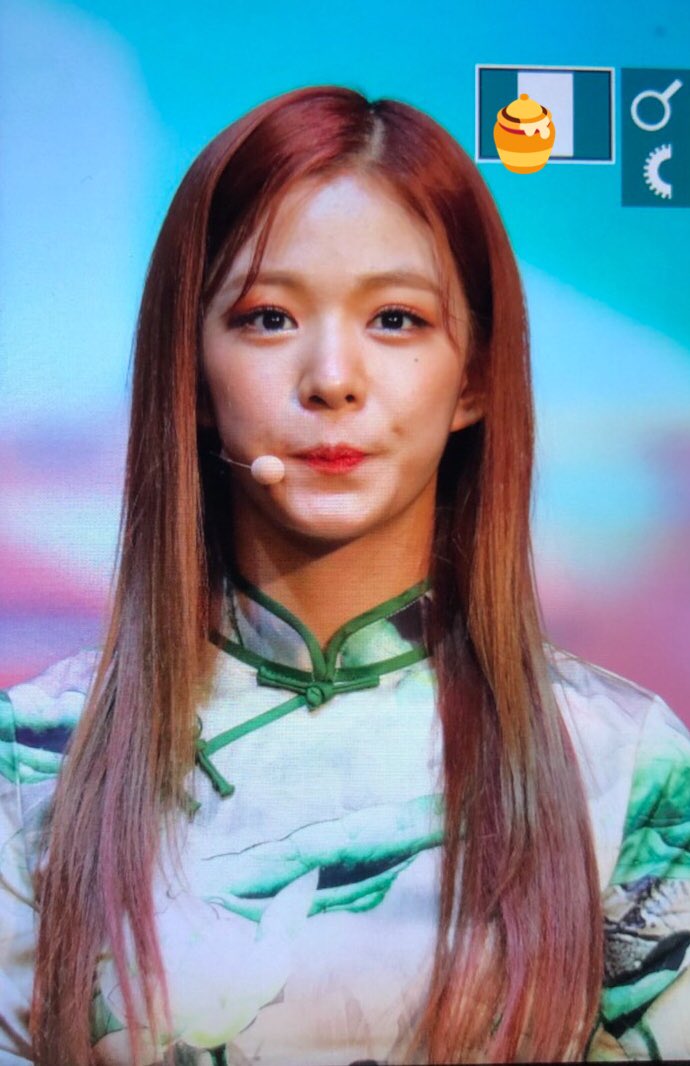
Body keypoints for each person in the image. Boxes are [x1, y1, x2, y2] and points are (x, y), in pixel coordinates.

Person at [0, 85, 688, 1066]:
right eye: (269, 317)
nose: (332, 377)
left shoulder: (625, 766)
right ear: (192, 373)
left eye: (396, 319)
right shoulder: (34, 765)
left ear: (475, 376)